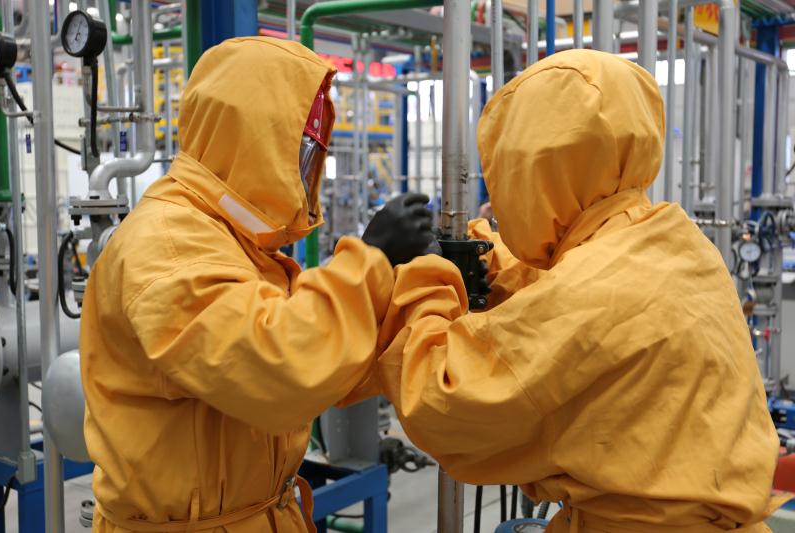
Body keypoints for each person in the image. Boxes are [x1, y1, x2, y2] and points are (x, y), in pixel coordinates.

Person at [376, 49, 784, 532]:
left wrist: (424, 277)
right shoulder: (670, 238)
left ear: (535, 171)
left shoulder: (593, 291)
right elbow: (567, 290)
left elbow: (444, 404)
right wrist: (483, 253)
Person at [79, 37, 433, 532]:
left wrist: (418, 292)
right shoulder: (167, 244)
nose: (304, 171)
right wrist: (370, 260)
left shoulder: (232, 240)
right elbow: (280, 366)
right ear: (249, 139)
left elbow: (330, 360)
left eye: (312, 154)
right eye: (298, 150)